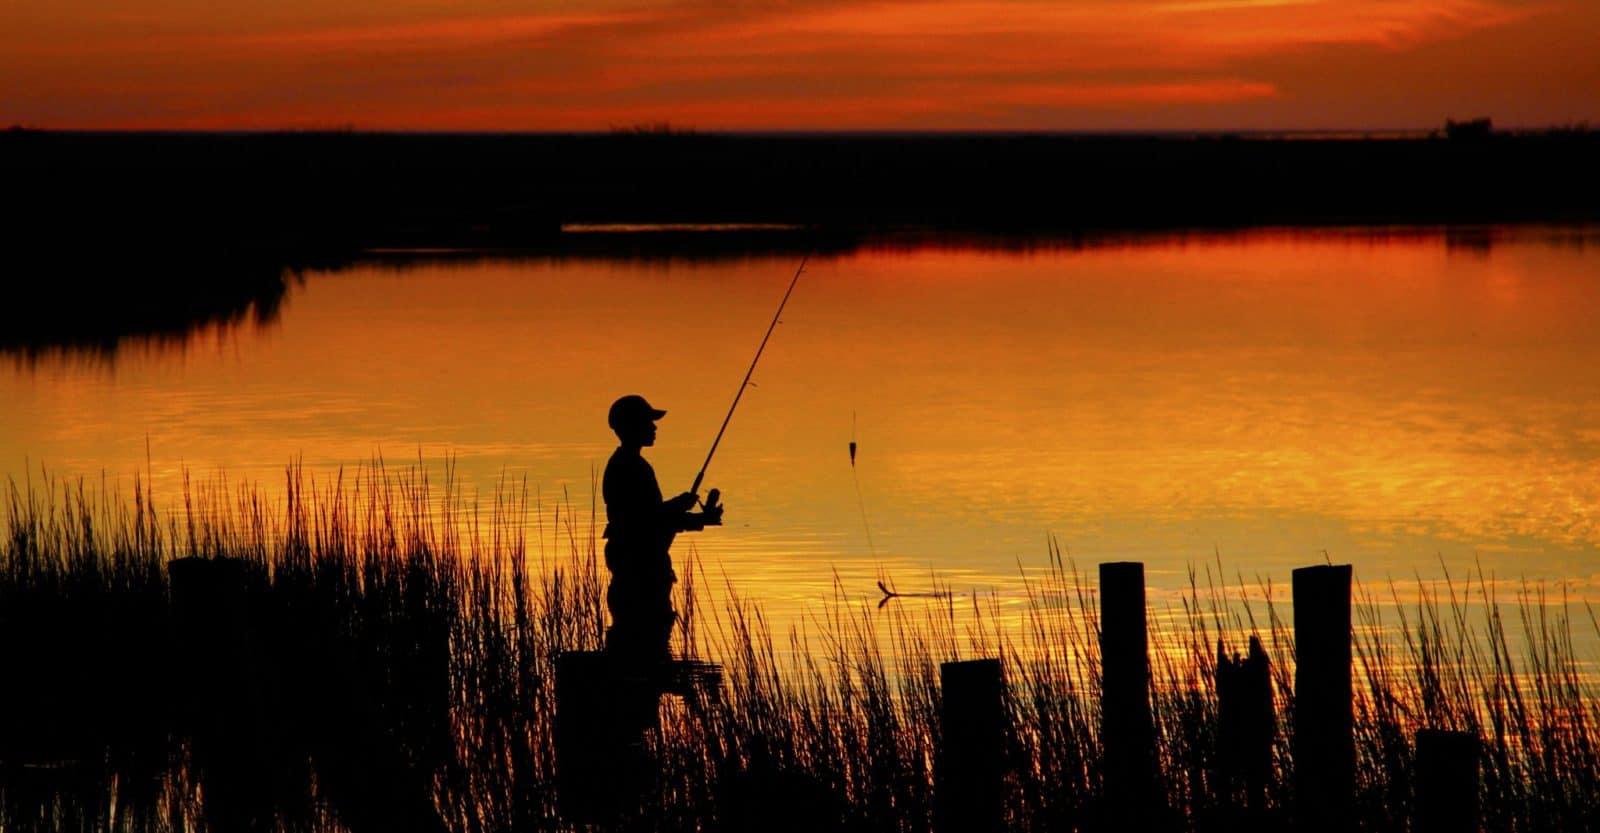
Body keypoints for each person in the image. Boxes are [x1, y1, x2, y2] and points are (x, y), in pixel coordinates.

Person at [601, 394, 723, 677]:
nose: (654, 427)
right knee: (644, 660)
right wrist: (680, 507)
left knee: (646, 657)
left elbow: (650, 518)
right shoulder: (630, 467)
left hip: (641, 569)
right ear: (632, 426)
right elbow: (644, 520)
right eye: (648, 422)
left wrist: (697, 518)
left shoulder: (629, 464)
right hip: (640, 573)